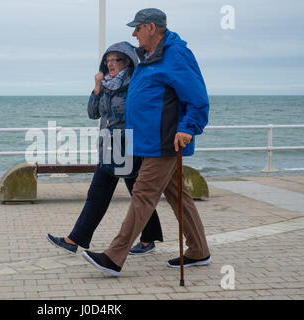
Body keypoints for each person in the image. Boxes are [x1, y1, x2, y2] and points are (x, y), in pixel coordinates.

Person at [82, 8, 212, 276]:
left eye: (137, 28)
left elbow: (197, 97)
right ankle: (199, 250)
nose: (134, 33)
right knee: (179, 197)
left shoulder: (176, 55)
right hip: (149, 141)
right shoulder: (149, 58)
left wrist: (189, 128)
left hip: (165, 141)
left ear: (151, 27)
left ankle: (114, 257)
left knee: (142, 195)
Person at [47, 42, 164, 256]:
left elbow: (141, 114)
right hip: (108, 145)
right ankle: (148, 238)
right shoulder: (107, 85)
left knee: (103, 194)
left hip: (127, 145)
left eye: (115, 60)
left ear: (126, 61)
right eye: (107, 60)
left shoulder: (134, 85)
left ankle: (74, 239)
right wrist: (97, 88)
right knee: (136, 194)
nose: (110, 64)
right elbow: (93, 113)